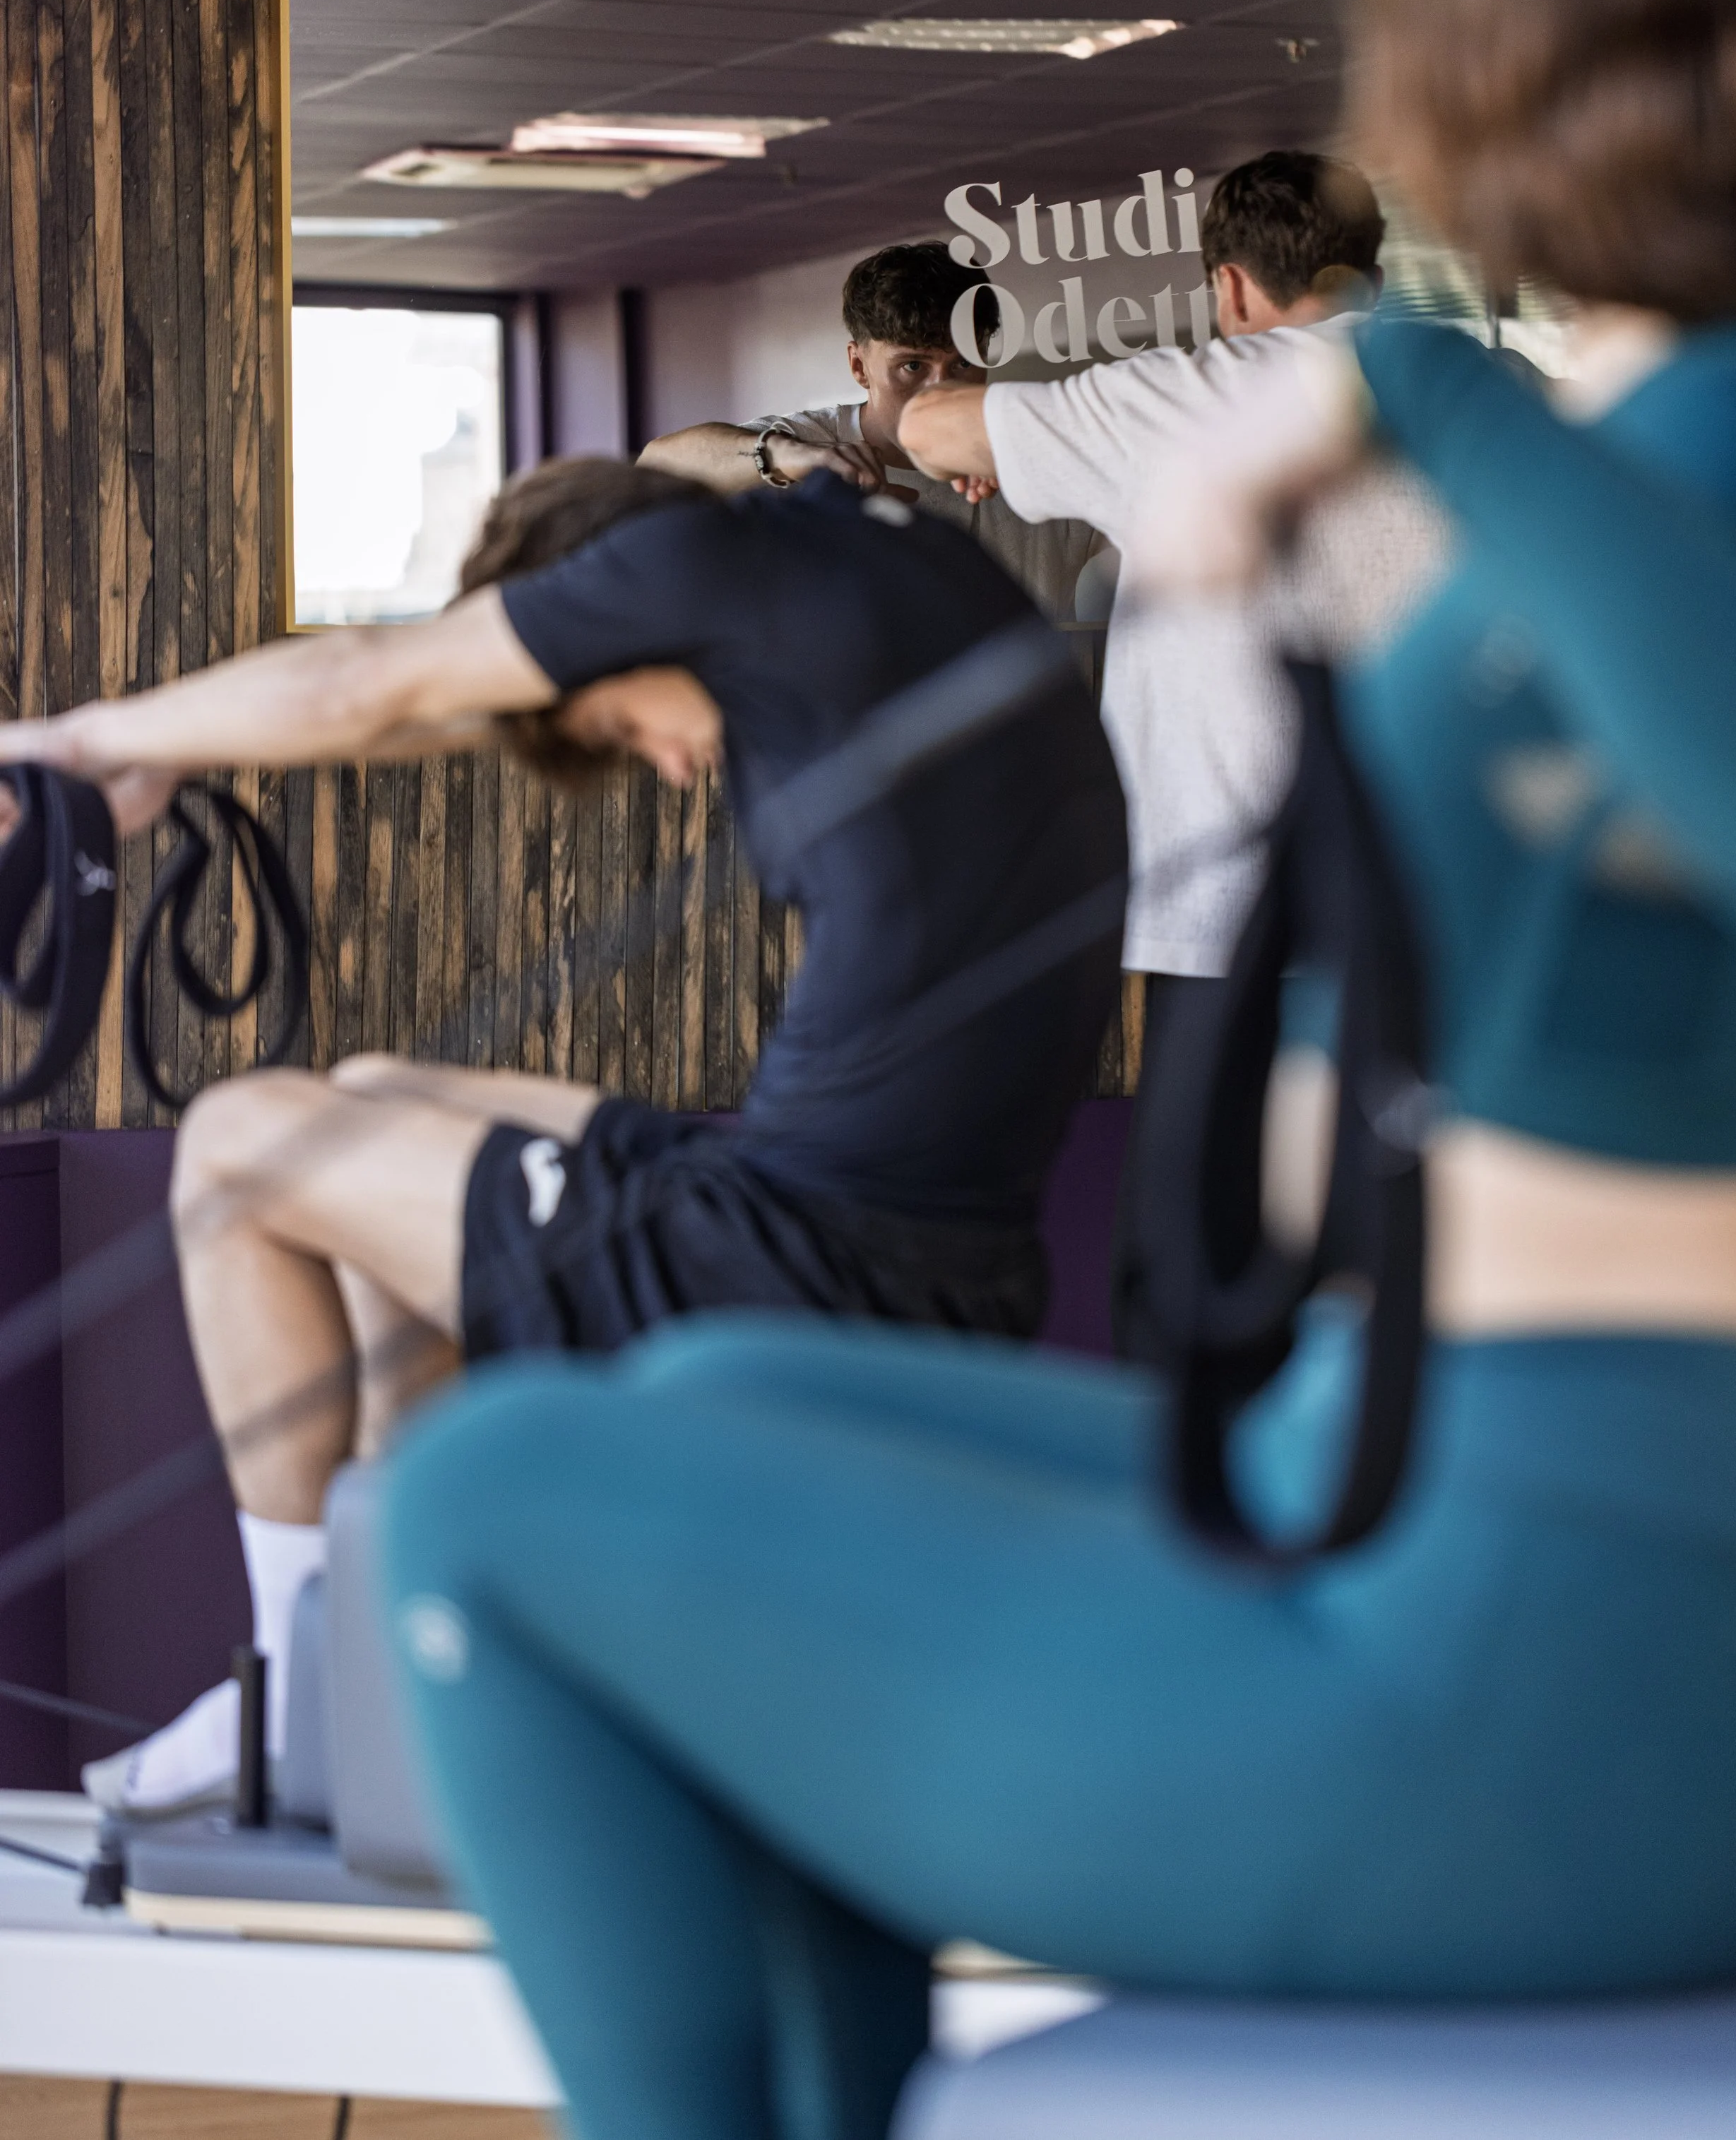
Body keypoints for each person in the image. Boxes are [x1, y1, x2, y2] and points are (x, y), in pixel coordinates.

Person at [378, 0, 1736, 2140]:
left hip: (1569, 1664)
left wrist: (1406, 380)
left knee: (485, 1501)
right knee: (713, 1386)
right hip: (1428, 1466)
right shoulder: (1667, 419)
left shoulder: (1662, 439)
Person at [1, 452, 1124, 1817]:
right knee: (370, 1094)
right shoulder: (878, 565)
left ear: (621, 606)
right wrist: (162, 754)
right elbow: (436, 708)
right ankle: (379, 1642)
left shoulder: (706, 571)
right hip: (909, 1245)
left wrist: (74, 744)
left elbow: (375, 681)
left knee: (244, 1140)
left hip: (800, 1261)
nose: (667, 762)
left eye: (617, 722)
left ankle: (294, 1684)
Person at [899, 149, 1449, 1348]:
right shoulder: (1478, 388)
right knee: (1407, 1244)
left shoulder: (1185, 395)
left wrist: (985, 434)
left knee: (1202, 1255)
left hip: (1231, 907)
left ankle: (1206, 1450)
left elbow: (930, 427)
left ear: (1232, 286)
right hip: (1444, 900)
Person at [637, 239, 1107, 622]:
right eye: (912, 366)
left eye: (964, 363)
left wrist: (1031, 452)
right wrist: (789, 458)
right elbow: (653, 469)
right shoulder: (815, 444)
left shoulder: (1035, 456)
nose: (941, 388)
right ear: (860, 366)